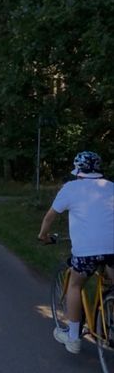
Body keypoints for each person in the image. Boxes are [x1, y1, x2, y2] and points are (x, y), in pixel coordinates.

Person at [38, 151, 114, 354]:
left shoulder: (71, 188)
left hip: (86, 253)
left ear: (78, 171)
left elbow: (49, 217)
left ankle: (73, 338)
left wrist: (43, 236)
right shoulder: (111, 187)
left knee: (75, 284)